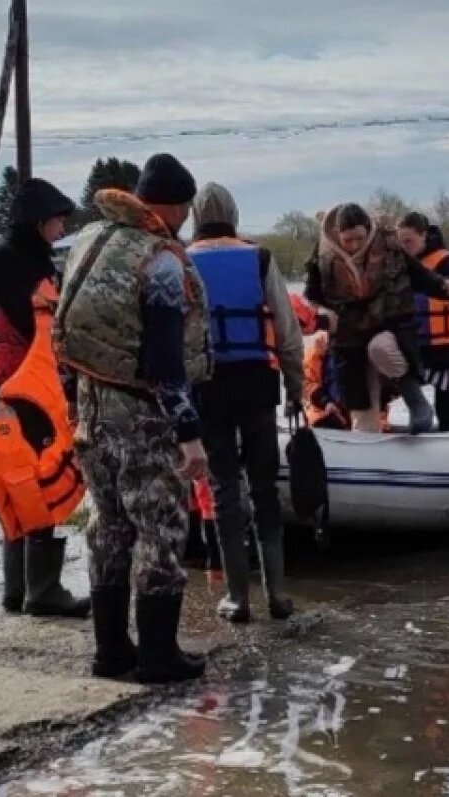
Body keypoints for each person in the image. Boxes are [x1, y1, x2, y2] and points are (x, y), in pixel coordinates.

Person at [54, 153, 210, 684]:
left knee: (108, 524)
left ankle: (111, 652)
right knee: (159, 527)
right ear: (176, 205)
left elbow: (66, 326)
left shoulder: (89, 241)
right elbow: (167, 362)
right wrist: (189, 435)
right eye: (186, 208)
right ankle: (159, 656)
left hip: (92, 406)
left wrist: (73, 400)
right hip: (143, 413)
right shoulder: (160, 259)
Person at [185, 182, 304, 624]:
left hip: (207, 384)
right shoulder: (260, 258)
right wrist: (295, 386)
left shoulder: (182, 261)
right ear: (234, 215)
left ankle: (238, 598)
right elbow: (289, 332)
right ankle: (278, 595)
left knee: (223, 489)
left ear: (196, 217)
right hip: (258, 381)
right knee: (264, 486)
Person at [0, 177, 89, 618]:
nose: (61, 229)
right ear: (38, 222)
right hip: (29, 387)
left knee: (16, 477)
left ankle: (18, 588)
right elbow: (36, 325)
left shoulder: (12, 257)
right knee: (38, 476)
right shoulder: (17, 262)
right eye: (58, 221)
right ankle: (42, 589)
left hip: (12, 383)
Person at [304, 203, 449, 434]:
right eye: (348, 240)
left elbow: (425, 278)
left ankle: (415, 400)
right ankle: (366, 450)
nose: (355, 245)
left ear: (368, 230)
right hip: (348, 340)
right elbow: (311, 296)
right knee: (363, 412)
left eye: (359, 238)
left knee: (380, 347)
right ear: (337, 235)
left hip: (389, 330)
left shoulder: (390, 247)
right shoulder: (322, 256)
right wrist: (322, 312)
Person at [396, 213, 449, 432]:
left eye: (410, 242)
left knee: (445, 409)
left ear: (424, 235)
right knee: (410, 397)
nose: (405, 247)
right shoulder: (398, 264)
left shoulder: (445, 262)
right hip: (417, 349)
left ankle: (448, 440)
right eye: (401, 242)